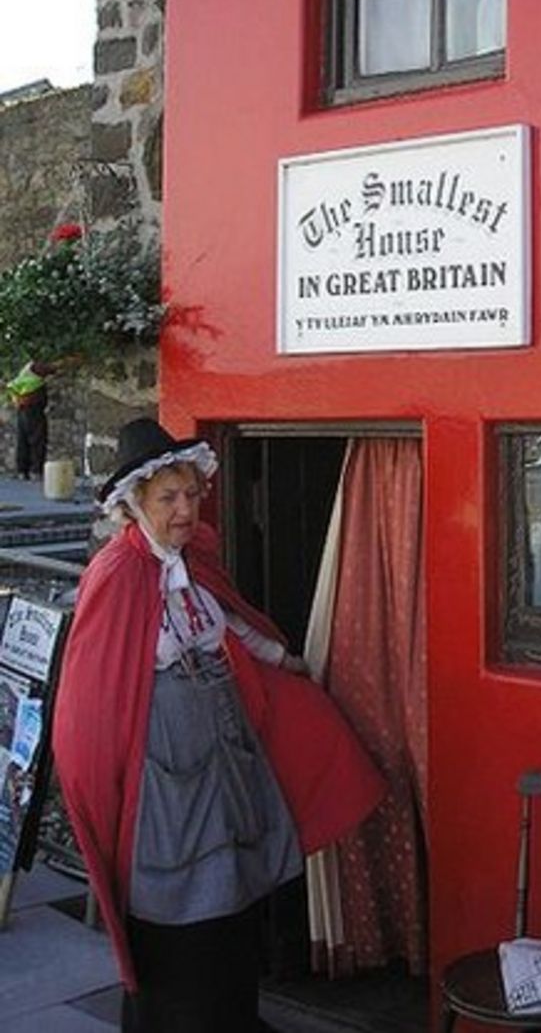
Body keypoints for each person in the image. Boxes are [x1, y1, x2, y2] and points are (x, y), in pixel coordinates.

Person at [53, 417, 386, 1033]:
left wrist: (286, 659)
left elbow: (230, 626)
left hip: (223, 765)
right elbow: (88, 711)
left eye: (190, 494)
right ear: (135, 506)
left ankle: (230, 1019)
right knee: (179, 918)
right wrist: (107, 792)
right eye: (167, 499)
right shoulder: (117, 576)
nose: (185, 510)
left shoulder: (190, 562)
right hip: (165, 784)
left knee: (231, 901)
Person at [5, 359, 54, 479]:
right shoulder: (35, 367)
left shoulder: (24, 372)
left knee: (23, 439)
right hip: (33, 409)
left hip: (23, 410)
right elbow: (52, 368)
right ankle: (35, 471)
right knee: (37, 439)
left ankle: (22, 470)